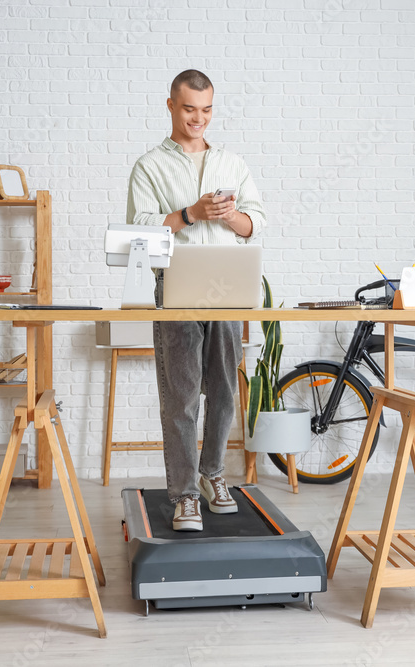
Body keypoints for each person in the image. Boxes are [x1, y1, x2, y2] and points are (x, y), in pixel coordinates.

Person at [126, 69, 266, 531]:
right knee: (182, 396)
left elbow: (257, 224)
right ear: (171, 106)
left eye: (206, 110)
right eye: (189, 109)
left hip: (228, 289)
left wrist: (232, 217)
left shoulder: (233, 162)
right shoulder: (150, 165)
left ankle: (212, 477)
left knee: (225, 392)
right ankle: (184, 494)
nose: (198, 119)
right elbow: (141, 229)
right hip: (178, 288)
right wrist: (191, 213)